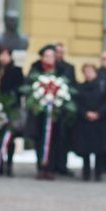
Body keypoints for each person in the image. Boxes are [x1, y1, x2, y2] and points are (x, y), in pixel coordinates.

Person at [28, 44, 68, 180]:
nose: (49, 58)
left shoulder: (61, 70)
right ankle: (41, 167)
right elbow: (29, 86)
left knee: (54, 140)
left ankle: (51, 168)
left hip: (55, 112)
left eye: (51, 56)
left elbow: (67, 86)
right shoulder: (35, 69)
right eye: (46, 56)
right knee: (39, 139)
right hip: (39, 112)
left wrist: (58, 98)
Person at [0, 48, 24, 175]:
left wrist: (10, 97)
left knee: (9, 137)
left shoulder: (16, 71)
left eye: (6, 55)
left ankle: (9, 165)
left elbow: (20, 88)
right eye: (1, 55)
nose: (3, 57)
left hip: (10, 107)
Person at [74, 63, 106, 181]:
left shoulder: (102, 87)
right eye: (86, 72)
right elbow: (77, 103)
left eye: (91, 71)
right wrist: (85, 113)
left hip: (99, 122)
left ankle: (98, 172)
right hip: (84, 121)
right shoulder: (80, 87)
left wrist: (98, 113)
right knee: (85, 149)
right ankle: (86, 172)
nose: (88, 74)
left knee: (99, 149)